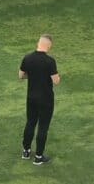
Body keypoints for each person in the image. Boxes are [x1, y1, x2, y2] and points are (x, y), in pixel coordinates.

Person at [19, 34, 60, 165]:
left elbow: (21, 75)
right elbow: (56, 81)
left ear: (38, 43)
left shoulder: (27, 58)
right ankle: (38, 156)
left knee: (30, 123)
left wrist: (32, 76)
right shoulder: (50, 61)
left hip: (31, 97)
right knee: (43, 126)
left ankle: (26, 151)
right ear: (49, 46)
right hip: (46, 99)